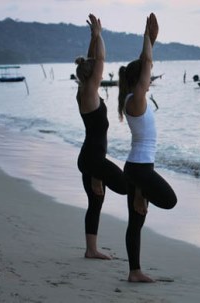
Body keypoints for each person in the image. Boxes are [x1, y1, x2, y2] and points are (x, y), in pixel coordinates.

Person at [117, 13, 177, 283]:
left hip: (137, 167)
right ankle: (135, 271)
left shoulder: (134, 97)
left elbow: (146, 64)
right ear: (138, 80)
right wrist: (146, 37)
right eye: (146, 76)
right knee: (168, 200)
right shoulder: (136, 100)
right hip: (139, 168)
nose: (150, 78)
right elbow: (147, 64)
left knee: (136, 221)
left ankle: (134, 272)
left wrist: (152, 39)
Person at [75, 14, 128, 260]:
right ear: (92, 76)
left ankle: (91, 249)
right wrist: (98, 35)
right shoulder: (89, 92)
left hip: (90, 158)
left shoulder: (83, 89)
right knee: (127, 187)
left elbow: (94, 60)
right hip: (93, 159)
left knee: (96, 202)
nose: (99, 71)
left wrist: (92, 37)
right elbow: (101, 60)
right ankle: (92, 248)